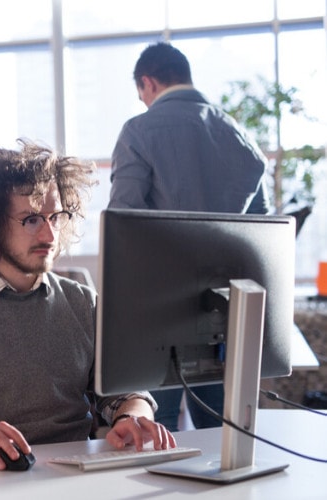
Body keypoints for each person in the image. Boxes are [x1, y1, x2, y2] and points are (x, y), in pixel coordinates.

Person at [0, 139, 176, 471]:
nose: (50, 236)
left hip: (74, 475)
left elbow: (124, 388)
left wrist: (133, 416)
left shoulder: (82, 300)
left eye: (55, 217)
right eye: (31, 220)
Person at [109, 42, 271, 431]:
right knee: (225, 431)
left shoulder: (139, 130)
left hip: (158, 313)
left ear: (147, 82)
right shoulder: (238, 135)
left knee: (154, 432)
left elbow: (123, 225)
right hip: (225, 316)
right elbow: (263, 231)